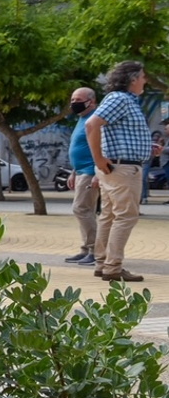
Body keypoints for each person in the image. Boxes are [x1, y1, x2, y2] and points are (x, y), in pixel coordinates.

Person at [85, 61, 154, 282]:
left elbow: (117, 134)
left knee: (110, 215)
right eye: (143, 76)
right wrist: (98, 159)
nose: (145, 80)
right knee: (126, 216)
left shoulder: (125, 101)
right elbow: (91, 125)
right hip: (123, 168)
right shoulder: (120, 99)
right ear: (133, 78)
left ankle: (102, 263)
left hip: (118, 165)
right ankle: (112, 267)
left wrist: (147, 147)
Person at [63, 87, 98, 266]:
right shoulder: (82, 119)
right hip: (80, 171)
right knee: (85, 210)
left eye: (78, 99)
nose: (74, 103)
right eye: (72, 99)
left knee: (81, 209)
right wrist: (73, 172)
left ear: (91, 101)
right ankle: (86, 249)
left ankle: (94, 250)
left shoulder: (94, 119)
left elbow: (98, 148)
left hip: (90, 171)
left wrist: (96, 173)